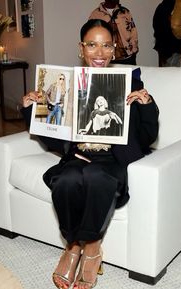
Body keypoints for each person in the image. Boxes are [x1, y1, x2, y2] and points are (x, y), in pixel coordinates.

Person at [21, 19, 159, 289]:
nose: (99, 52)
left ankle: (92, 248)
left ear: (114, 47)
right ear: (81, 48)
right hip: (78, 157)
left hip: (113, 161)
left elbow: (147, 136)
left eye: (107, 45)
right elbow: (52, 137)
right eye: (92, 45)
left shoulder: (131, 82)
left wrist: (146, 104)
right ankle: (73, 246)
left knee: (97, 176)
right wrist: (30, 109)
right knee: (67, 180)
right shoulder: (69, 84)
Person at [89, 0, 138, 65]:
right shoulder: (95, 14)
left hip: (127, 58)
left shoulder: (125, 12)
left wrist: (133, 50)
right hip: (106, 58)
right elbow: (90, 35)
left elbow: (133, 31)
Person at [153, 0, 181, 67]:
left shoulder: (161, 7)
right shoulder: (177, 8)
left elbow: (156, 29)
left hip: (165, 50)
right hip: (173, 50)